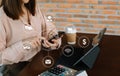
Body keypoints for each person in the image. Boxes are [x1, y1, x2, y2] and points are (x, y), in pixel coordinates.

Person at [0, 0, 61, 75]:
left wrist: (54, 38)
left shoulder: (34, 8)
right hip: (15, 68)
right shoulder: (2, 17)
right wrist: (24, 45)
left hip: (38, 60)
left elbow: (49, 28)